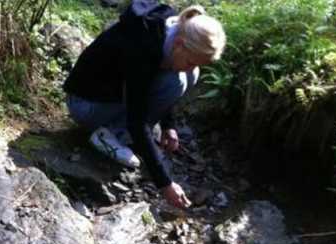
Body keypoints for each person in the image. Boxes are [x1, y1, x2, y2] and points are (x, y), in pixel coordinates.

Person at [63, 1, 226, 209]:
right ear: (178, 44)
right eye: (191, 60)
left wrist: (168, 125)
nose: (191, 67)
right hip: (85, 105)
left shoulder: (175, 30)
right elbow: (137, 119)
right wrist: (165, 183)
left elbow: (157, 77)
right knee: (175, 81)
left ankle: (124, 133)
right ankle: (109, 134)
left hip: (111, 95)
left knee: (189, 75)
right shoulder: (142, 47)